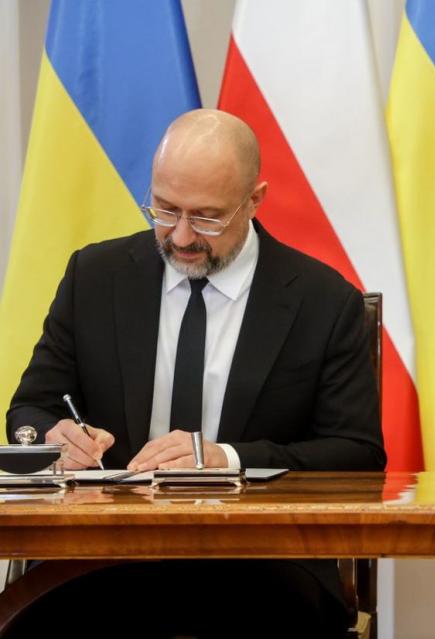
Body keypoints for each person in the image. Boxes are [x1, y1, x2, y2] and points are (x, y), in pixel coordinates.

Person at [6, 109, 384, 637]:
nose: (181, 236)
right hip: (101, 553)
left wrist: (226, 458)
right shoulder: (94, 277)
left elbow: (357, 453)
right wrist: (57, 437)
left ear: (254, 200)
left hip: (261, 561)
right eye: (164, 209)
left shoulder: (324, 301)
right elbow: (28, 410)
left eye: (207, 217)